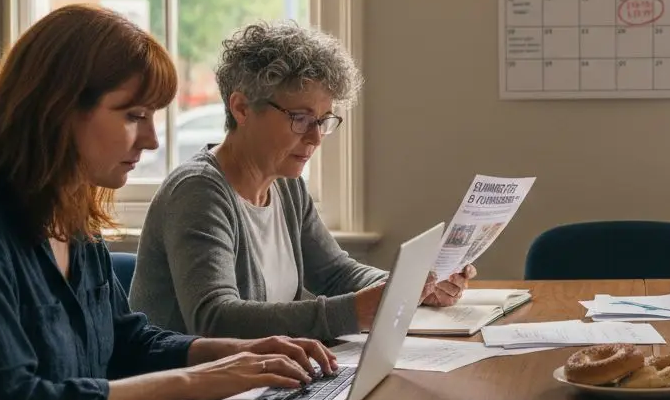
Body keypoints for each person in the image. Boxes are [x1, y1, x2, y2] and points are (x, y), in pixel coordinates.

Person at [0, 5, 333, 400]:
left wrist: (232, 352)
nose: (150, 140)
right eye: (133, 116)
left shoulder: (72, 218)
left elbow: (123, 342)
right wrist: (191, 380)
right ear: (57, 109)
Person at [131, 22, 476, 342]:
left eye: (323, 120)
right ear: (241, 108)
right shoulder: (198, 191)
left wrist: (412, 287)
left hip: (255, 386)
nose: (315, 138)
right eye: (300, 118)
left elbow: (335, 273)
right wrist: (354, 312)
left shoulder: (285, 183)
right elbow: (215, 320)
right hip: (187, 399)